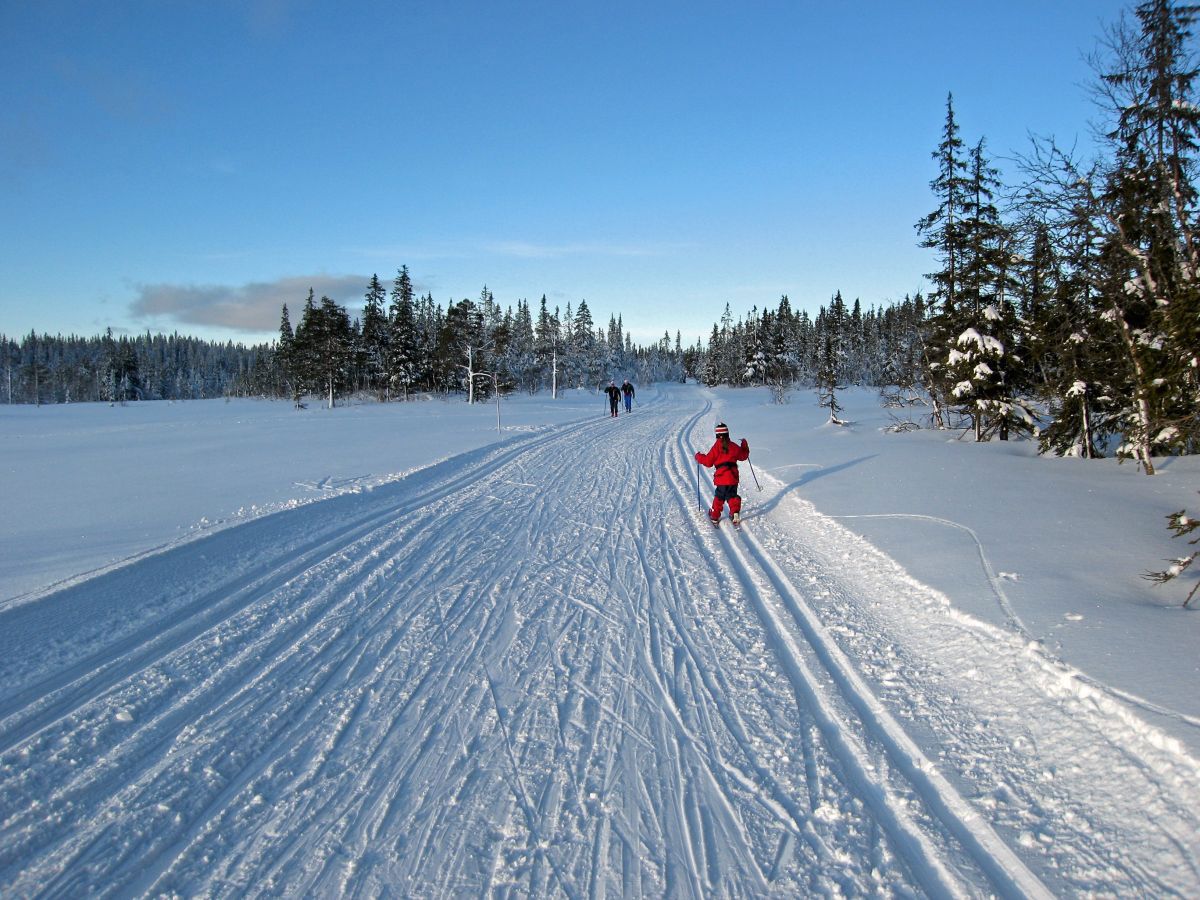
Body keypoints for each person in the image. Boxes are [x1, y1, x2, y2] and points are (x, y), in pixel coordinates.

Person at [695, 422, 750, 525]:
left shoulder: (716, 447)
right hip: (733, 478)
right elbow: (743, 455)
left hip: (721, 479)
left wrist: (698, 457)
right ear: (727, 434)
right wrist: (744, 445)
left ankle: (715, 516)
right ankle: (734, 512)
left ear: (717, 435)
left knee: (719, 497)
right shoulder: (733, 446)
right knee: (732, 496)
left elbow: (708, 462)